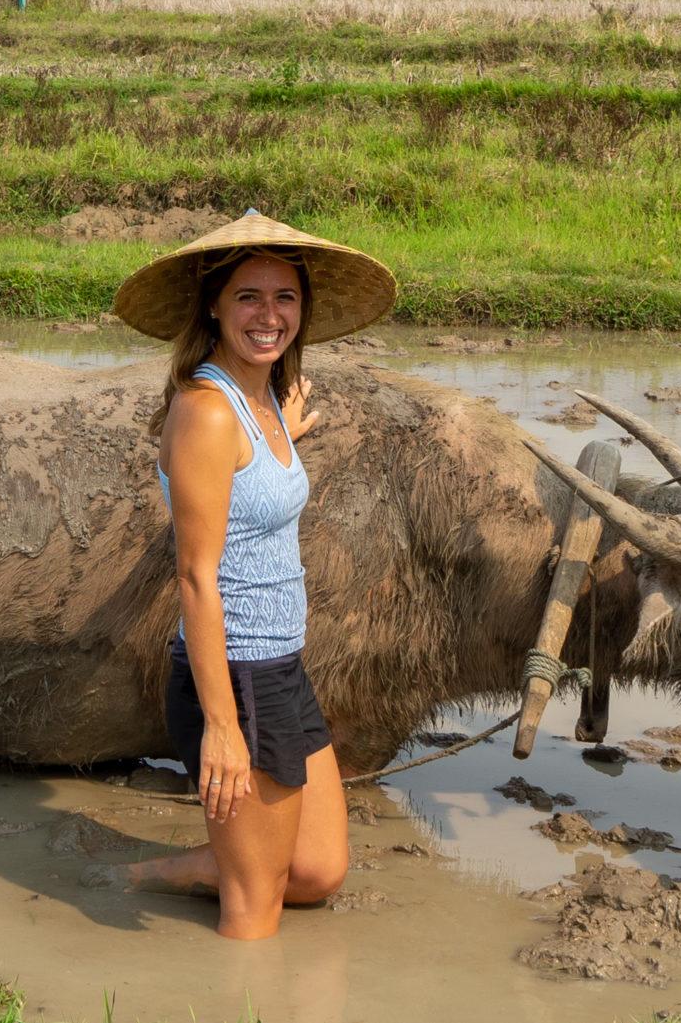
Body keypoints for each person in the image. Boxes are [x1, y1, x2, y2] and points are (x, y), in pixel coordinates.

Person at [100, 211, 398, 939]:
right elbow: (197, 579)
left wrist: (281, 437)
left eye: (285, 297)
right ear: (212, 304)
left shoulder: (259, 399)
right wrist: (224, 731)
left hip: (281, 668)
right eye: (249, 297)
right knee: (256, 910)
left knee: (320, 869)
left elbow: (247, 481)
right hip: (236, 675)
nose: (270, 316)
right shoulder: (207, 412)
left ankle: (177, 868)